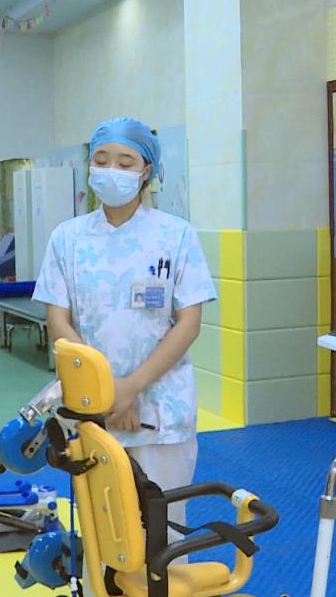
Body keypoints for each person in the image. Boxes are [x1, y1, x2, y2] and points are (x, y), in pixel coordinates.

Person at [34, 116, 216, 532]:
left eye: (125, 162)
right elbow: (58, 320)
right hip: (93, 411)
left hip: (160, 414)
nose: (111, 170)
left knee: (164, 532)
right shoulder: (68, 239)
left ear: (146, 171)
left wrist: (130, 388)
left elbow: (188, 323)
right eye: (101, 160)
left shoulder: (176, 236)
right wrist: (104, 392)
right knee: (103, 534)